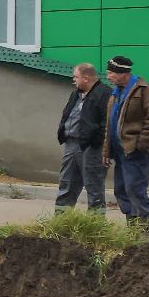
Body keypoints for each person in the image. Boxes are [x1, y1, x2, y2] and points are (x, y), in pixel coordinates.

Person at [102, 54, 149, 227]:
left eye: (111, 73)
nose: (108, 76)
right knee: (121, 190)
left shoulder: (146, 92)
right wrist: (106, 150)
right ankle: (132, 225)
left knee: (135, 189)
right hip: (120, 151)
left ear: (123, 73)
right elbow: (109, 124)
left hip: (135, 151)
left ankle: (143, 227)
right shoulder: (115, 94)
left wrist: (141, 145)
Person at [54, 62, 111, 212]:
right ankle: (61, 222)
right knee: (67, 183)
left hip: (92, 148)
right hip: (71, 144)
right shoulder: (76, 93)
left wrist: (99, 143)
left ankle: (95, 225)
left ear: (86, 78)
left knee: (94, 186)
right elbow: (68, 114)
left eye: (76, 77)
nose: (73, 80)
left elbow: (107, 123)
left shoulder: (104, 94)